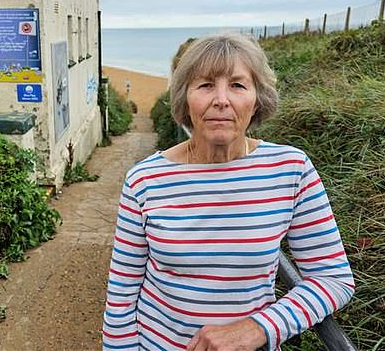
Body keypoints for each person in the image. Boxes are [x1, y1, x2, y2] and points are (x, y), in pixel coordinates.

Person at [102, 34, 354, 351]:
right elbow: (122, 294)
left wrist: (259, 327)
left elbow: (334, 279)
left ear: (257, 99)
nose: (221, 99)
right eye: (205, 85)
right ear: (185, 99)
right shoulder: (145, 179)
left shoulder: (292, 170)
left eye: (237, 85)